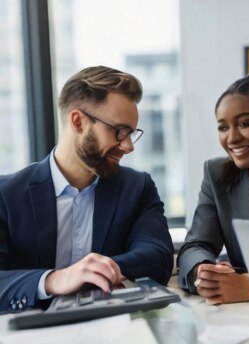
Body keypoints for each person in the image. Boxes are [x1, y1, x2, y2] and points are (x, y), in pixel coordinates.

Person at [0, 66, 174, 312]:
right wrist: (54, 279)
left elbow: (158, 257)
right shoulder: (6, 195)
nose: (127, 146)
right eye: (118, 132)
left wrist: (96, 271)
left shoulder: (137, 187)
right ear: (77, 121)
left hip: (114, 334)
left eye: (131, 134)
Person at [177, 75, 249, 304]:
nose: (232, 138)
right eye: (223, 127)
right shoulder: (217, 175)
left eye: (244, 124)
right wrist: (203, 271)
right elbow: (196, 245)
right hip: (239, 309)